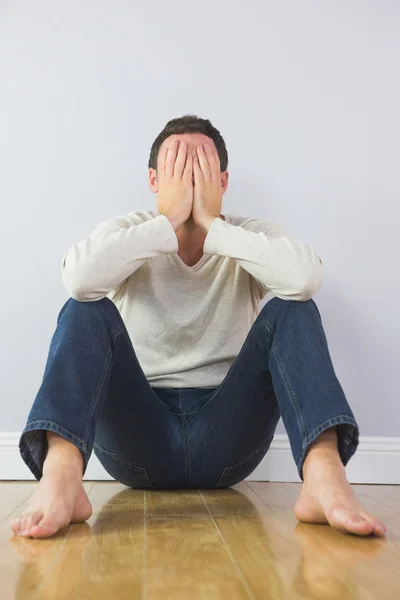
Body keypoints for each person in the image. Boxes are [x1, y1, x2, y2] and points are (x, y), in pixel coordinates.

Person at [11, 115, 386, 540]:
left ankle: (323, 476)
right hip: (139, 440)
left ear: (222, 180)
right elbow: (78, 280)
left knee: (294, 308)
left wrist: (212, 225)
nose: (189, 179)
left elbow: (305, 279)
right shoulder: (128, 233)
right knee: (82, 309)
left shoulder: (247, 236)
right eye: (177, 168)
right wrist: (166, 222)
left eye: (201, 169)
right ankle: (61, 478)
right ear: (154, 179)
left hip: (227, 439)